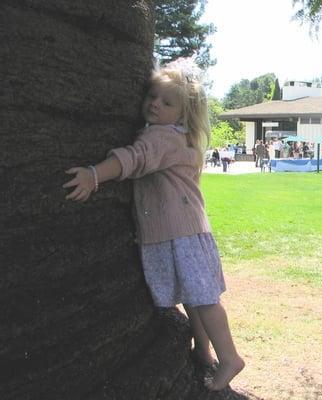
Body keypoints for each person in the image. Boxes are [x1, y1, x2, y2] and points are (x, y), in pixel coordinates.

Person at [62, 58, 244, 391]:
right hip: (183, 231)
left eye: (167, 102)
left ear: (184, 114)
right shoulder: (175, 137)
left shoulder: (164, 139)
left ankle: (229, 357)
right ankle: (203, 351)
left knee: (203, 298)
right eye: (152, 97)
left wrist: (93, 174)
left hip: (182, 234)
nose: (155, 104)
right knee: (194, 298)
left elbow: (134, 158)